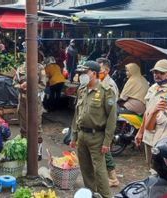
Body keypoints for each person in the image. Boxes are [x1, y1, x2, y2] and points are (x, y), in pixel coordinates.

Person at [69, 61, 117, 198]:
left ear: (94, 73)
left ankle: (106, 195)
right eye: (81, 73)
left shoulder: (106, 91)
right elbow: (77, 114)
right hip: (82, 134)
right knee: (85, 169)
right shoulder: (82, 90)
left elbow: (111, 118)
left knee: (100, 171)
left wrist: (107, 142)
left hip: (97, 136)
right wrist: (74, 136)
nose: (82, 75)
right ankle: (91, 194)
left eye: (85, 72)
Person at [134, 59, 167, 169]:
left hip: (162, 138)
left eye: (161, 73)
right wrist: (140, 132)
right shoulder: (153, 88)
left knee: (161, 170)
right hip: (149, 136)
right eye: (155, 72)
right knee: (150, 167)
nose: (157, 75)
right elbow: (147, 112)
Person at [13, 61, 47, 160]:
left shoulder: (40, 68)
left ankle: (38, 152)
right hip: (23, 101)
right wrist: (20, 86)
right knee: (24, 127)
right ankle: (25, 150)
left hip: (35, 101)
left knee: (37, 127)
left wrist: (31, 86)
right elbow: (14, 83)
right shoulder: (20, 68)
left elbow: (43, 85)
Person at [97, 57, 120, 187]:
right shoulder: (99, 82)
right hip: (98, 121)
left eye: (99, 69)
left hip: (105, 122)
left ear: (107, 70)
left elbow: (110, 108)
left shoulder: (109, 85)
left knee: (104, 149)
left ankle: (113, 177)